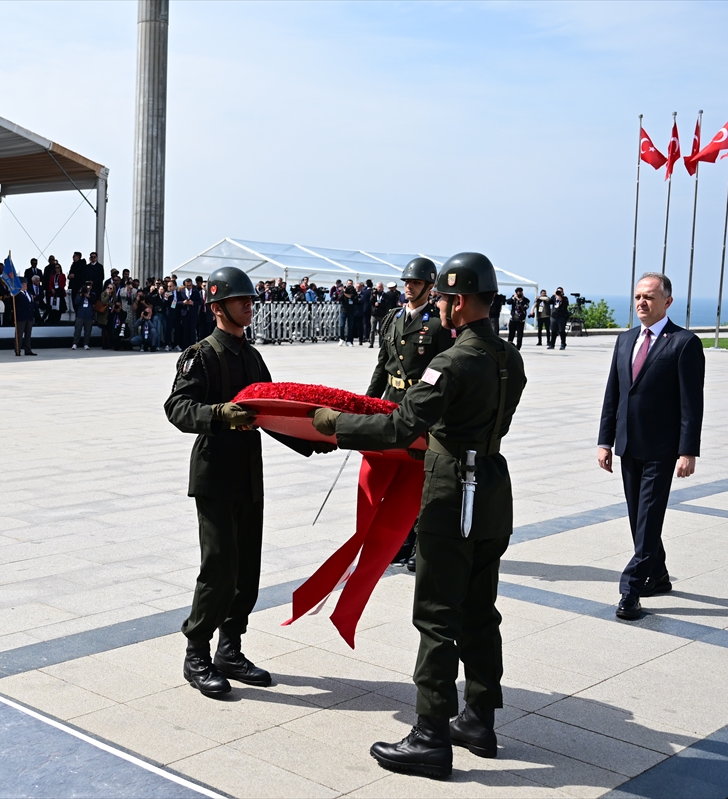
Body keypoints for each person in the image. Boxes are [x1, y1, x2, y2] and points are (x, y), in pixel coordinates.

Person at [312, 252, 526, 779]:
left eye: (449, 299)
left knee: (435, 615)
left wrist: (335, 425)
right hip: (493, 489)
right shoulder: (509, 358)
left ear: (460, 300)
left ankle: (431, 734)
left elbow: (402, 425)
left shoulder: (450, 363)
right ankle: (478, 717)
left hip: (451, 492)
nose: (445, 308)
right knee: (480, 610)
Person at [165, 266, 328, 698]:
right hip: (214, 475)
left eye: (251, 299)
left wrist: (315, 440)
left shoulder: (253, 357)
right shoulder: (200, 355)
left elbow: (273, 412)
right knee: (218, 569)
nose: (249, 306)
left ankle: (229, 649)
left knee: (247, 572)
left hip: (247, 476)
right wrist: (217, 414)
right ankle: (196, 653)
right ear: (218, 307)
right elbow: (178, 408)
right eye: (241, 300)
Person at [597, 272, 704, 621]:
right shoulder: (625, 340)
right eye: (638, 296)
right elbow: (613, 394)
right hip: (628, 446)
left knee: (648, 521)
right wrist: (605, 441)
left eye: (650, 297)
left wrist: (687, 451)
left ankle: (631, 589)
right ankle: (656, 575)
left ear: (667, 302)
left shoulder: (684, 343)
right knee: (638, 520)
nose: (642, 302)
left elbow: (692, 403)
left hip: (661, 449)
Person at [366, 257, 455, 569]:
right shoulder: (391, 319)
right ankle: (400, 541)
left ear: (429, 287)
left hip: (421, 407)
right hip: (391, 402)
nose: (408, 287)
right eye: (406, 282)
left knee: (421, 476)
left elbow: (445, 369)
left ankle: (420, 541)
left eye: (415, 283)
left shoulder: (438, 324)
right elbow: (382, 365)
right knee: (395, 474)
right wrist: (367, 403)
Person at [14, 281, 37, 356]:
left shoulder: (29, 293)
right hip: (21, 316)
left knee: (28, 333)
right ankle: (18, 349)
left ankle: (28, 349)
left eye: (25, 284)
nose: (24, 286)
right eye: (23, 284)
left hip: (29, 316)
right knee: (19, 333)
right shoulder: (17, 294)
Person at [71, 283, 94, 349]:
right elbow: (76, 302)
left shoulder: (93, 294)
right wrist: (80, 294)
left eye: (89, 286)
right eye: (87, 286)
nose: (88, 287)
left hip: (88, 314)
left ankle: (86, 344)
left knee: (88, 331)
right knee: (77, 330)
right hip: (80, 314)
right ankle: (75, 343)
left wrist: (88, 296)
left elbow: (94, 301)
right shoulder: (80, 293)